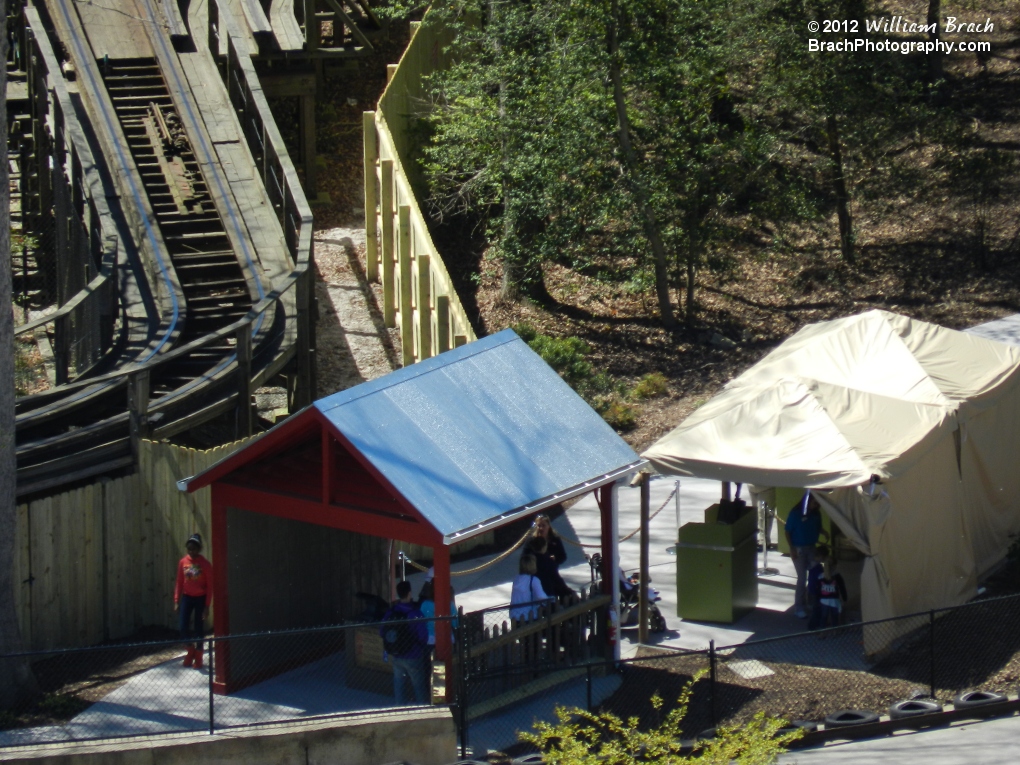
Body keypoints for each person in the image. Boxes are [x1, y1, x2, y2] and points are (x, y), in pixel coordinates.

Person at [380, 580, 429, 705]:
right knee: (419, 687)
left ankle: (400, 712)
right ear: (409, 593)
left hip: (396, 654)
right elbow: (423, 636)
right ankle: (423, 714)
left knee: (399, 686)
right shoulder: (415, 614)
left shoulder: (391, 612)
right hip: (414, 655)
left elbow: (382, 631)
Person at [784, 493, 829, 619]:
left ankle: (810, 601)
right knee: (802, 578)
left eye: (818, 504)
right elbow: (787, 531)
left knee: (815, 575)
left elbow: (818, 526)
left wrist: (823, 532)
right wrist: (792, 548)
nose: (816, 506)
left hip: (812, 547)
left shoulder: (816, 513)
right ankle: (799, 607)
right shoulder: (795, 513)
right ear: (808, 502)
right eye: (815, 503)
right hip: (799, 549)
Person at [174, 533, 213, 669]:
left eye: (194, 549)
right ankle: (190, 650)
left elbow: (210, 586)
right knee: (183, 626)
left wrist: (207, 606)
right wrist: (176, 600)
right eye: (189, 549)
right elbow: (179, 581)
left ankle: (199, 655)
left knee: (198, 628)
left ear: (199, 549)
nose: (192, 552)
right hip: (187, 597)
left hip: (200, 599)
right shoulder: (183, 562)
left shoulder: (205, 564)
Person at [530, 514, 573, 599]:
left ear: (548, 526)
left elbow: (563, 556)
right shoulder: (533, 540)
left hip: (552, 571)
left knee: (561, 591)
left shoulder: (554, 539)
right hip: (538, 574)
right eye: (539, 526)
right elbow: (527, 557)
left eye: (543, 525)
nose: (541, 528)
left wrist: (555, 559)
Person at [510, 554, 552, 622]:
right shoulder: (533, 580)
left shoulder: (516, 579)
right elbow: (541, 596)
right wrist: (550, 599)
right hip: (529, 615)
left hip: (514, 615)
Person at [811, 561, 847, 630]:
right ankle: (835, 632)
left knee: (823, 617)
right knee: (834, 617)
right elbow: (842, 588)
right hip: (834, 600)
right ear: (835, 566)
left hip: (823, 600)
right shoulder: (837, 577)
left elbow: (817, 589)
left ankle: (822, 633)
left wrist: (817, 599)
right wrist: (844, 598)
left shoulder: (821, 576)